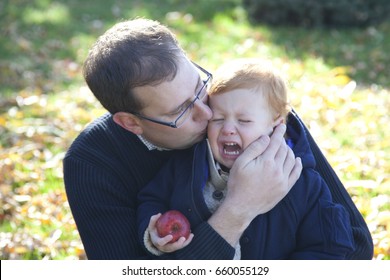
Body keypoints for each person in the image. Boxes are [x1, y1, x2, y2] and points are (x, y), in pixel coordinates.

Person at [63, 18, 373, 260]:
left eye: (199, 86)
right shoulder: (92, 164)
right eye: (182, 110)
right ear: (131, 123)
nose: (209, 114)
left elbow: (356, 245)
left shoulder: (240, 105)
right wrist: (239, 208)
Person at [137, 59, 355, 259]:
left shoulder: (301, 183)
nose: (229, 129)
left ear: (276, 122)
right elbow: (151, 199)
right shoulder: (186, 166)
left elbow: (328, 248)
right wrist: (154, 232)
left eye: (244, 120)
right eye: (219, 119)